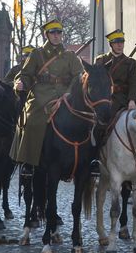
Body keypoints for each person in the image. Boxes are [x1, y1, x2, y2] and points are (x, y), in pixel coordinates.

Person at [10, 19, 83, 177]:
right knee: (32, 120)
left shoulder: (70, 55)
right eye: (53, 33)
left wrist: (70, 92)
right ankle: (28, 162)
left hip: (66, 94)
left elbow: (79, 76)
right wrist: (20, 84)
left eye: (59, 32)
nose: (56, 36)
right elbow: (26, 74)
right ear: (47, 35)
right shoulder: (37, 54)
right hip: (41, 93)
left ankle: (85, 161)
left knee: (85, 119)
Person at [94, 29, 136, 114]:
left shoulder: (131, 63)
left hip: (125, 98)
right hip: (106, 98)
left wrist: (132, 100)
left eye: (122, 42)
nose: (120, 45)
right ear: (111, 44)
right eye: (116, 43)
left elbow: (135, 83)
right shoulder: (101, 60)